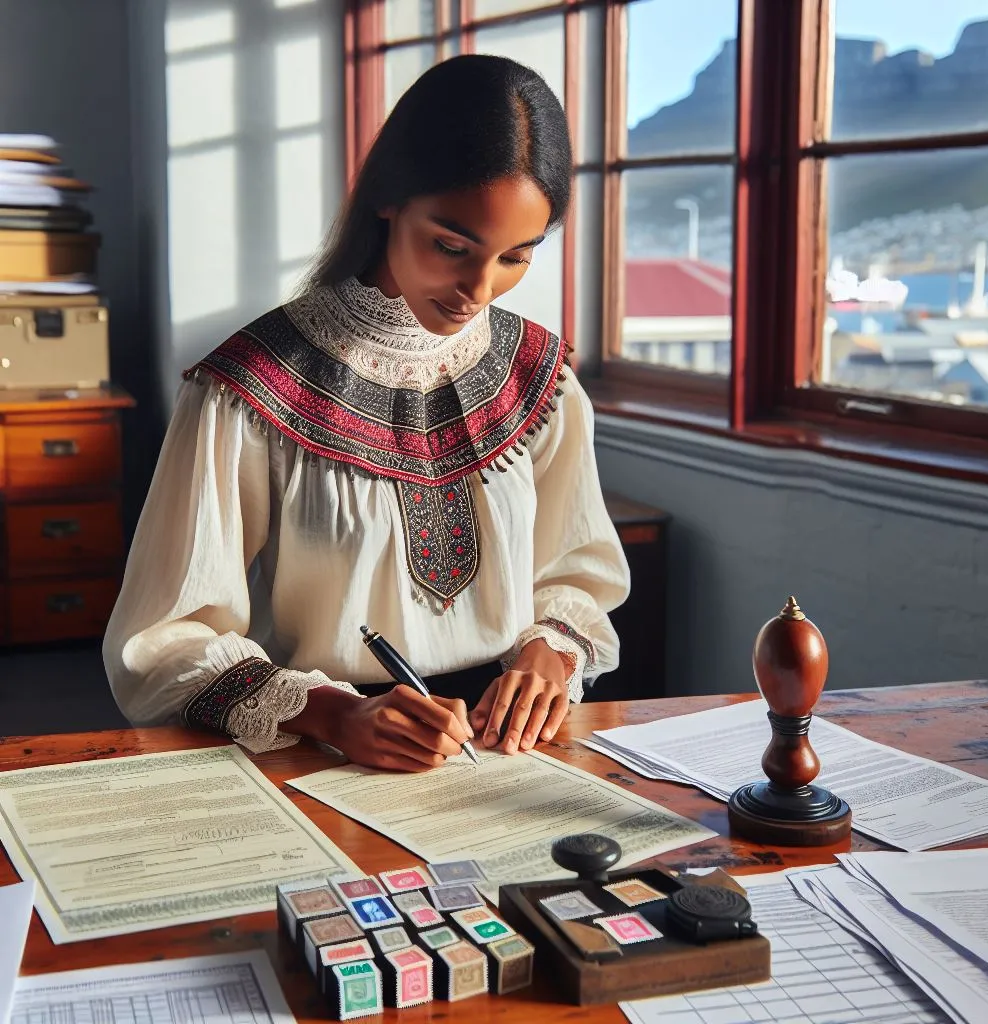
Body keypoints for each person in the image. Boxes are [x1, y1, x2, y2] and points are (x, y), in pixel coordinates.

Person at [103, 54, 630, 772]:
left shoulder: (541, 381)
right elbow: (165, 638)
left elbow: (574, 574)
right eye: (453, 245)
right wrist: (336, 715)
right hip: (323, 753)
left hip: (512, 756)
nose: (479, 287)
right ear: (388, 198)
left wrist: (550, 651)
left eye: (517, 257)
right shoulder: (250, 387)